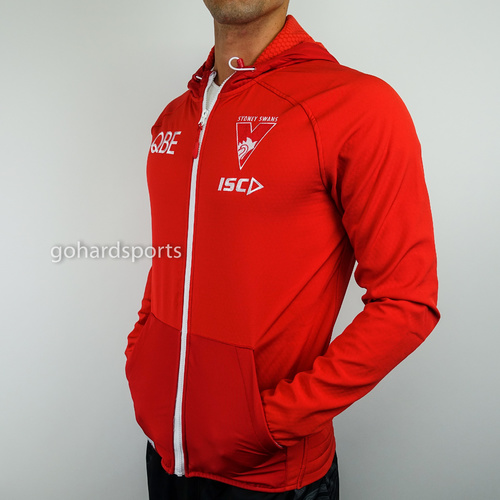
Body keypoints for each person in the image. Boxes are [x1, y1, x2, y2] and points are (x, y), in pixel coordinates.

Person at [125, 1, 440, 499]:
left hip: (272, 476)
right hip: (164, 456)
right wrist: (142, 363)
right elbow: (173, 257)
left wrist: (269, 422)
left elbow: (407, 301)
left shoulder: (356, 106)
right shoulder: (174, 115)